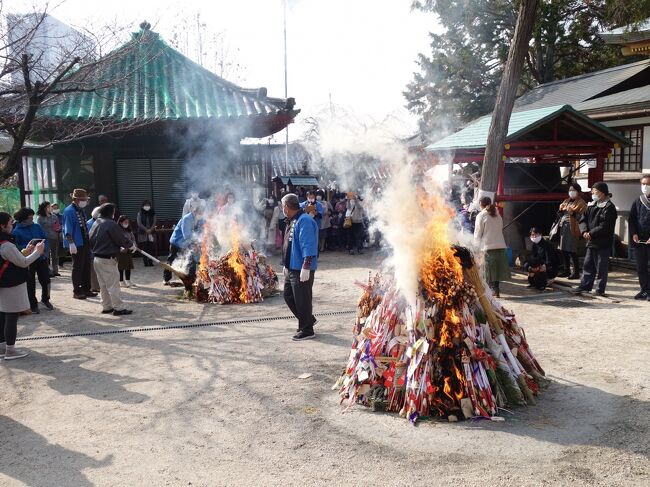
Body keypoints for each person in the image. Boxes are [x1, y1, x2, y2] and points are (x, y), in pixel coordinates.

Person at [0, 212, 45, 360]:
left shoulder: (5, 244)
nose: (12, 224)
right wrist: (38, 252)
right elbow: (23, 262)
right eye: (10, 222)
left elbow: (15, 258)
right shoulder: (6, 245)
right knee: (12, 316)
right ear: (2, 225)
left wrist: (26, 250)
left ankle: (2, 347)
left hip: (3, 283)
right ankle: (10, 350)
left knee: (3, 315)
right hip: (11, 284)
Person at [281, 193, 319, 341]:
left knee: (302, 299)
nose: (282, 209)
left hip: (301, 267)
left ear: (287, 206)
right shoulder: (292, 220)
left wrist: (306, 266)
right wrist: (286, 264)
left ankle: (307, 329)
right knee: (289, 296)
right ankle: (308, 319)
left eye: (283, 206)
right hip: (291, 266)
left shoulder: (304, 220)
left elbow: (307, 244)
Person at [89, 204, 136, 316]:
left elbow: (91, 239)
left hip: (97, 258)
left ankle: (107, 306)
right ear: (111, 212)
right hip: (108, 259)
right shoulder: (111, 224)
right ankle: (118, 308)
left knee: (103, 285)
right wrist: (130, 245)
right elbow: (120, 238)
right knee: (113, 285)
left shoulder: (96, 222)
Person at [575, 182, 617, 296]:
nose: (593, 193)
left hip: (602, 243)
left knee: (601, 269)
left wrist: (591, 233)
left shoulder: (609, 207)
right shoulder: (591, 205)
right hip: (591, 241)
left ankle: (599, 290)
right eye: (592, 191)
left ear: (603, 193)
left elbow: (605, 226)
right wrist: (584, 231)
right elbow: (582, 219)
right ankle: (585, 286)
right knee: (588, 265)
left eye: (595, 191)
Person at [12, 208, 53, 313]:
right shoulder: (16, 231)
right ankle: (33, 304)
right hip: (28, 260)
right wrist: (29, 248)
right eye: (30, 216)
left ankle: (45, 299)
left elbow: (45, 239)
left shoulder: (37, 226)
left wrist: (44, 248)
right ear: (24, 218)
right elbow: (16, 247)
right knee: (30, 283)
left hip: (41, 258)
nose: (32, 218)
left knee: (46, 280)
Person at [63, 188, 96, 300]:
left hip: (84, 240)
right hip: (77, 242)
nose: (85, 201)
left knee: (86, 265)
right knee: (77, 266)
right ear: (77, 199)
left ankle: (86, 289)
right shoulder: (69, 211)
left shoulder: (80, 209)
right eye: (83, 199)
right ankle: (77, 290)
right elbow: (67, 228)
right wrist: (71, 243)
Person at [474, 196, 510, 297]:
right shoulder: (498, 215)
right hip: (500, 246)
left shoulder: (481, 215)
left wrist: (475, 248)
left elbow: (477, 234)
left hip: (488, 247)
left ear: (481, 204)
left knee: (488, 271)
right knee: (496, 271)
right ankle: (496, 290)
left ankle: (490, 292)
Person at [164, 200, 203, 287]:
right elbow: (187, 235)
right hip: (177, 242)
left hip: (189, 242)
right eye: (200, 212)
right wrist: (197, 240)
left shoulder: (200, 219)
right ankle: (166, 278)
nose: (201, 214)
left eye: (202, 213)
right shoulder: (187, 219)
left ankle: (191, 279)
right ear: (194, 211)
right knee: (171, 260)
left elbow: (203, 229)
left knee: (192, 260)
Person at [557, 183, 587, 279]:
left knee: (571, 250)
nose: (571, 192)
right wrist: (561, 211)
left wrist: (572, 212)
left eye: (573, 190)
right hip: (563, 226)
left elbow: (582, 218)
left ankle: (576, 272)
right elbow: (561, 214)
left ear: (578, 192)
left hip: (573, 228)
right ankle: (566, 270)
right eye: (570, 190)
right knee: (563, 250)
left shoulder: (582, 203)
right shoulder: (566, 201)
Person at [628, 174, 650, 300]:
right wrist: (634, 233)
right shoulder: (638, 200)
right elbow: (632, 219)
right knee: (641, 267)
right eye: (643, 184)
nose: (645, 187)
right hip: (640, 241)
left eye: (648, 184)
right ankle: (644, 290)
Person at [36, 201, 61, 277]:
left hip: (55, 237)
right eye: (48, 206)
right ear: (44, 208)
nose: (50, 208)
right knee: (46, 255)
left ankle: (55, 270)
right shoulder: (40, 218)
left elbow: (58, 226)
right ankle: (47, 271)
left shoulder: (54, 216)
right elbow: (39, 229)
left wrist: (59, 229)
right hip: (45, 238)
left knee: (55, 255)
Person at [117, 216, 136, 287]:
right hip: (121, 251)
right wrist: (121, 247)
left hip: (129, 250)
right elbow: (117, 240)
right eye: (125, 222)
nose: (127, 224)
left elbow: (133, 238)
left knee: (128, 266)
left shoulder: (129, 230)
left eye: (127, 222)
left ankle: (128, 280)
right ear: (121, 222)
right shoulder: (117, 230)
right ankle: (121, 281)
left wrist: (134, 245)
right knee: (121, 267)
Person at [136, 200, 157, 266]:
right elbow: (139, 223)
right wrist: (146, 230)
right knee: (144, 248)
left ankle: (150, 261)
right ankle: (145, 262)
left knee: (150, 248)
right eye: (145, 205)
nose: (147, 206)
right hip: (143, 233)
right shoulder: (140, 213)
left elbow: (154, 222)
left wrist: (150, 229)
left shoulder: (153, 213)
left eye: (148, 205)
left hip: (151, 232)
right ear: (143, 206)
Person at [51, 203, 64, 268]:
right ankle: (53, 265)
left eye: (56, 208)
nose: (55, 209)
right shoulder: (50, 217)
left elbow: (64, 224)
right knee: (54, 250)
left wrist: (60, 227)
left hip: (61, 235)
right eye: (54, 208)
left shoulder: (62, 216)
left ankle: (61, 263)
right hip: (53, 235)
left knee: (61, 248)